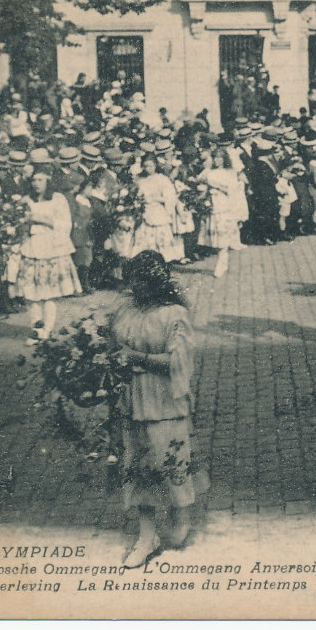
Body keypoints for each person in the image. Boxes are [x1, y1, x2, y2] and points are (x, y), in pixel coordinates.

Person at [112, 250, 203, 568]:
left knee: (171, 463)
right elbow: (114, 341)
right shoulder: (127, 309)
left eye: (139, 282)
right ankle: (146, 535)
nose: (133, 289)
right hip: (132, 399)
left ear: (154, 283)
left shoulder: (174, 314)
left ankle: (181, 515)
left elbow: (178, 362)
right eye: (131, 282)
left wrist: (136, 358)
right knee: (138, 468)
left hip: (163, 401)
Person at [17, 170, 82, 343]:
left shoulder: (57, 199)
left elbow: (65, 225)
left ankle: (47, 328)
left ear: (47, 181)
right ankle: (36, 329)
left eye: (40, 179)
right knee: (30, 292)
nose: (36, 183)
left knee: (48, 292)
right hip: (31, 247)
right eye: (33, 180)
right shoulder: (26, 200)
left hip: (51, 248)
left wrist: (42, 219)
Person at [197, 147, 244, 278]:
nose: (217, 160)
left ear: (225, 159)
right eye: (215, 157)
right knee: (216, 235)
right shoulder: (209, 172)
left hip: (224, 205)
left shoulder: (229, 172)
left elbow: (233, 189)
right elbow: (200, 181)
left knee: (223, 233)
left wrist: (217, 186)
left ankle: (221, 261)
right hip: (213, 204)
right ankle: (223, 258)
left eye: (220, 157)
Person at [134, 155, 185, 263]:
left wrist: (154, 199)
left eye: (150, 166)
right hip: (145, 211)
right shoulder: (140, 180)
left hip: (158, 211)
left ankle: (162, 260)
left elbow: (170, 198)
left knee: (159, 236)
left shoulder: (162, 179)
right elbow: (137, 195)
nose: (148, 169)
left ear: (155, 166)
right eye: (145, 166)